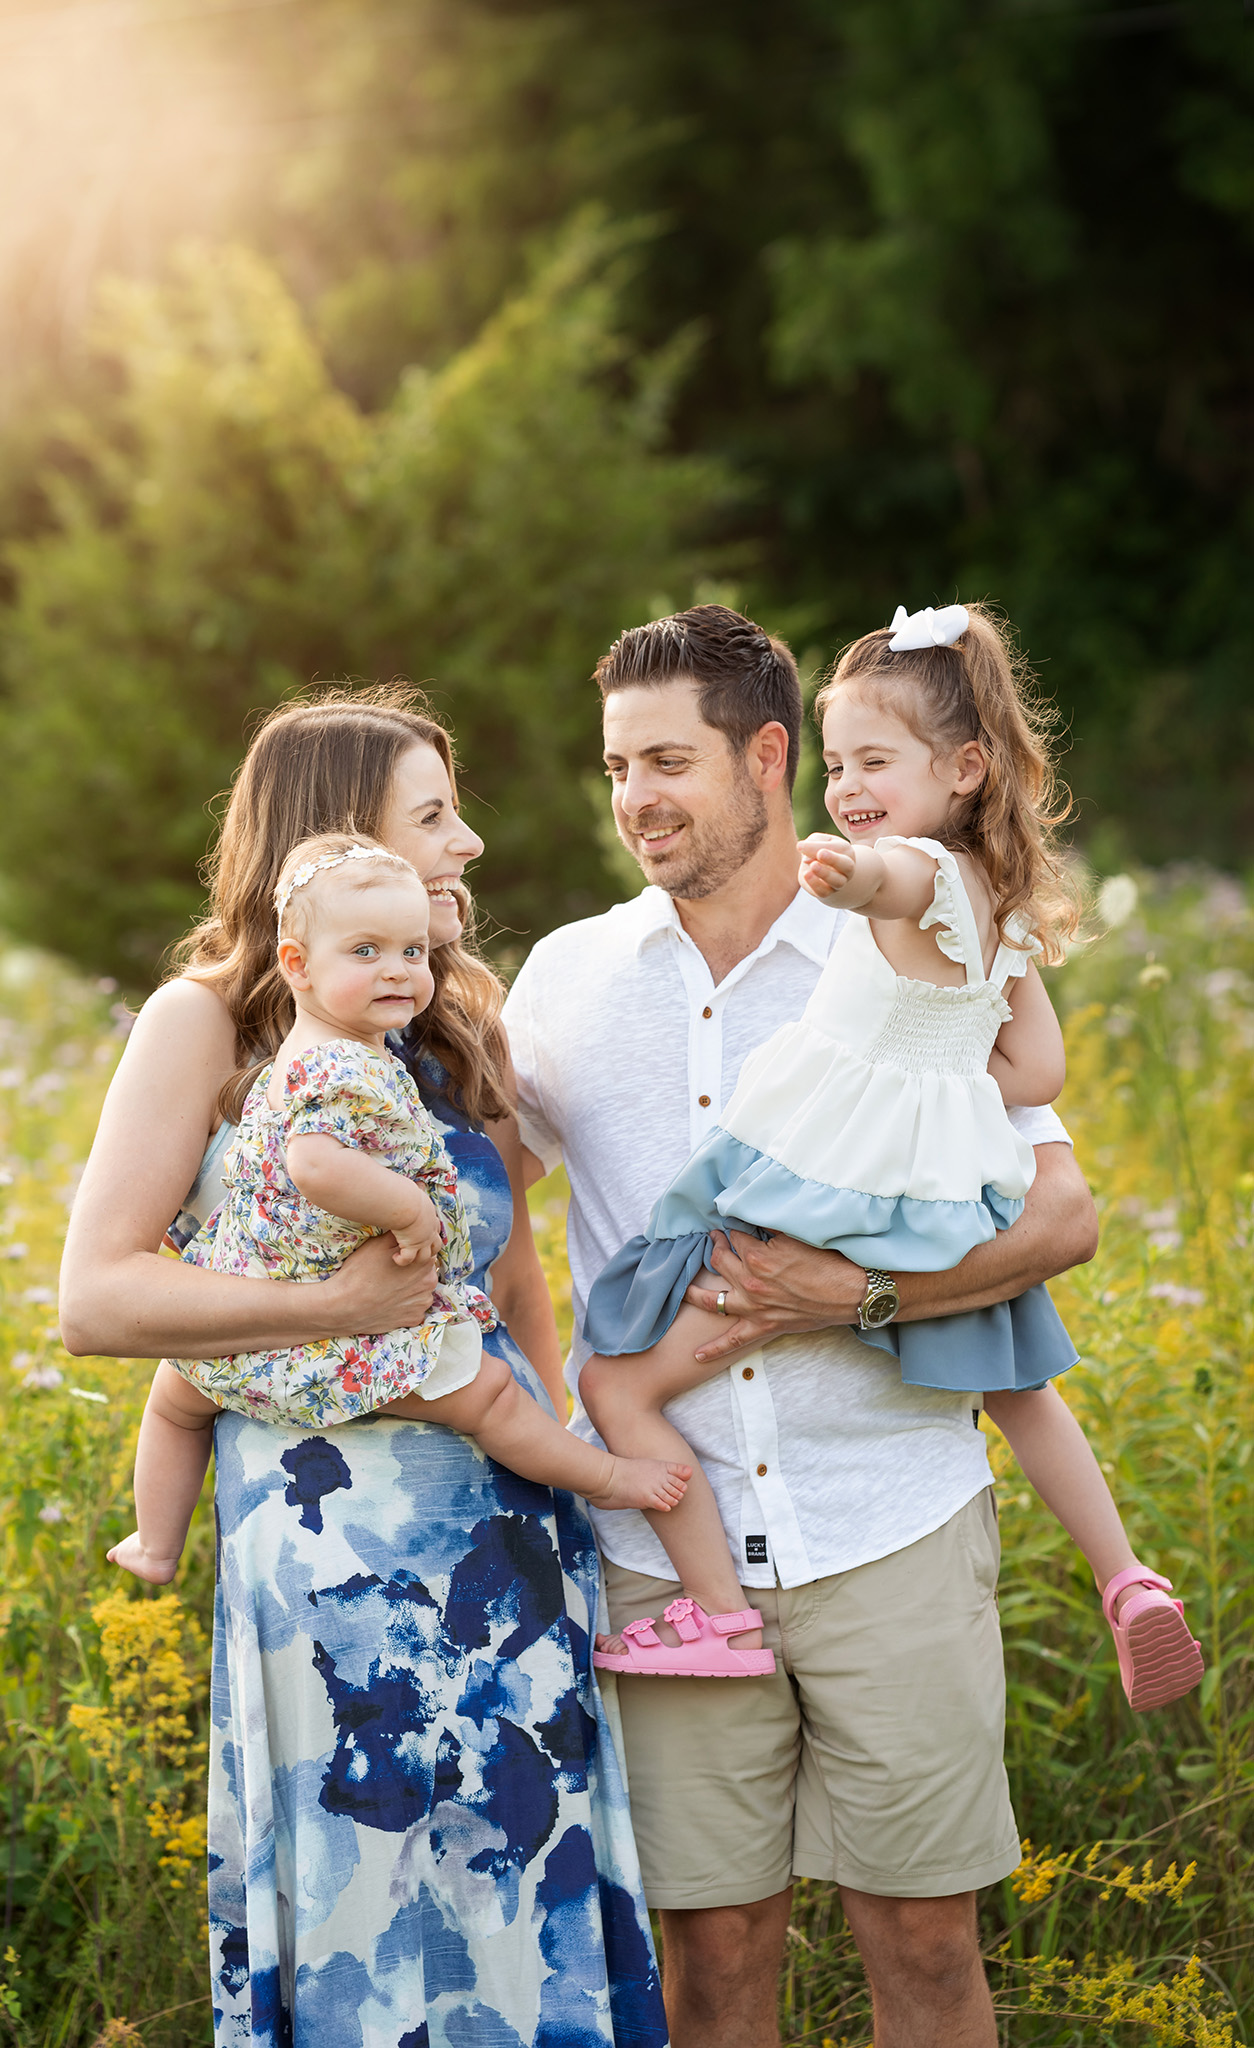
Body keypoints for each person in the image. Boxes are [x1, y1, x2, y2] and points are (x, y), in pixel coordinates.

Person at [502, 603, 1102, 2048]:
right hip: (664, 1553)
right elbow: (481, 1217)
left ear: (768, 756)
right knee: (710, 1964)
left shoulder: (905, 942)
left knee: (925, 1946)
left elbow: (1056, 1215)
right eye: (615, 767)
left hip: (884, 1513)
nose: (634, 797)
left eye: (665, 761)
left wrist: (857, 1297)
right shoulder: (568, 980)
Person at [60, 691, 669, 2048]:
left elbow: (513, 1278)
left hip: (508, 1537)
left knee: (522, 1894)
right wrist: (334, 1299)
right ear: (339, 842)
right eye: (433, 816)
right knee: (374, 1906)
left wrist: (566, 1454)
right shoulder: (204, 1023)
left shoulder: (461, 1023)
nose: (470, 845)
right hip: (330, 1543)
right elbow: (97, 1297)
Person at [578, 602, 1202, 1715]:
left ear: (962, 767)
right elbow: (1039, 1066)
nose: (849, 786)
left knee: (622, 1371)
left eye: (877, 761)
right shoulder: (1004, 895)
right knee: (1019, 1387)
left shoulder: (904, 865)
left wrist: (845, 877)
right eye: (843, 762)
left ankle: (712, 1609)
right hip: (939, 1185)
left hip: (821, 1174)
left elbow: (895, 883)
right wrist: (940, 1079)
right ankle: (1125, 1577)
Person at [108, 829, 687, 1585]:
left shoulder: (324, 1047)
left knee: (176, 1401)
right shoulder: (338, 1061)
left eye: (413, 953)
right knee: (489, 1399)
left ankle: (155, 1543)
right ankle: (611, 1482)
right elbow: (314, 1162)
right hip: (326, 1327)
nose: (398, 971)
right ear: (297, 965)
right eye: (367, 952)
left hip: (252, 1308)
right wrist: (410, 1211)